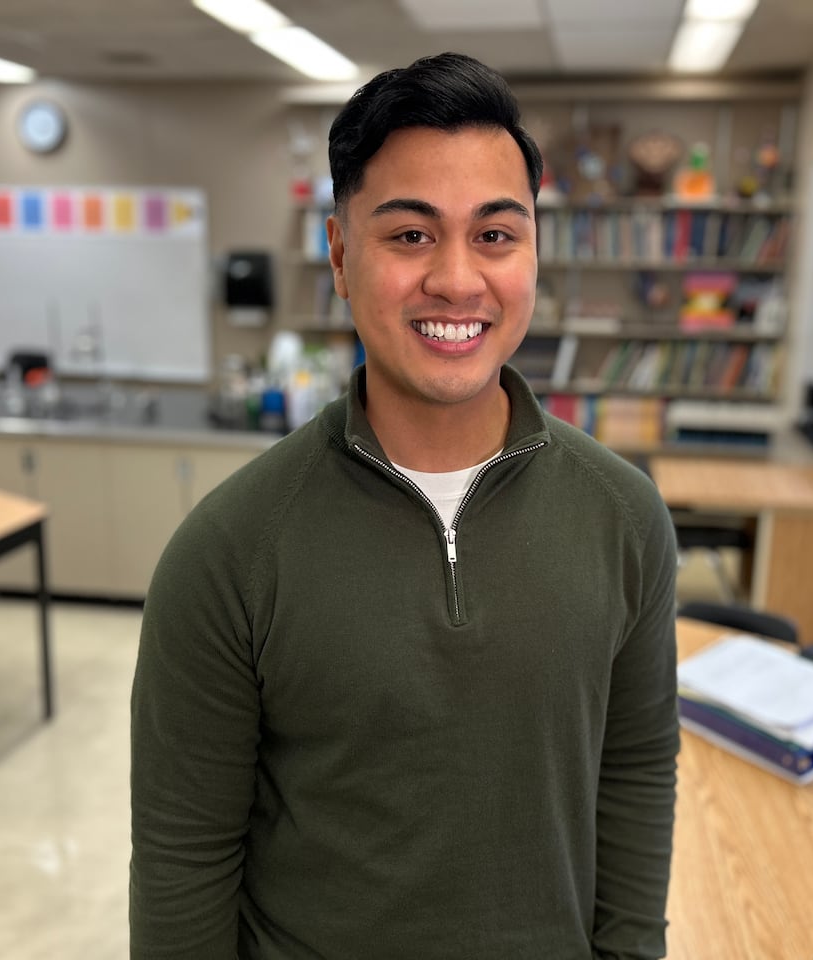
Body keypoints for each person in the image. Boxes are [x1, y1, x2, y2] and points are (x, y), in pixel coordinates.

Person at [130, 51, 679, 960]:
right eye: (411, 236)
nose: (459, 281)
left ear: (534, 254)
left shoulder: (624, 519)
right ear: (341, 258)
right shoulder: (227, 551)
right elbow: (184, 861)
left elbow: (632, 779)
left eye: (496, 235)